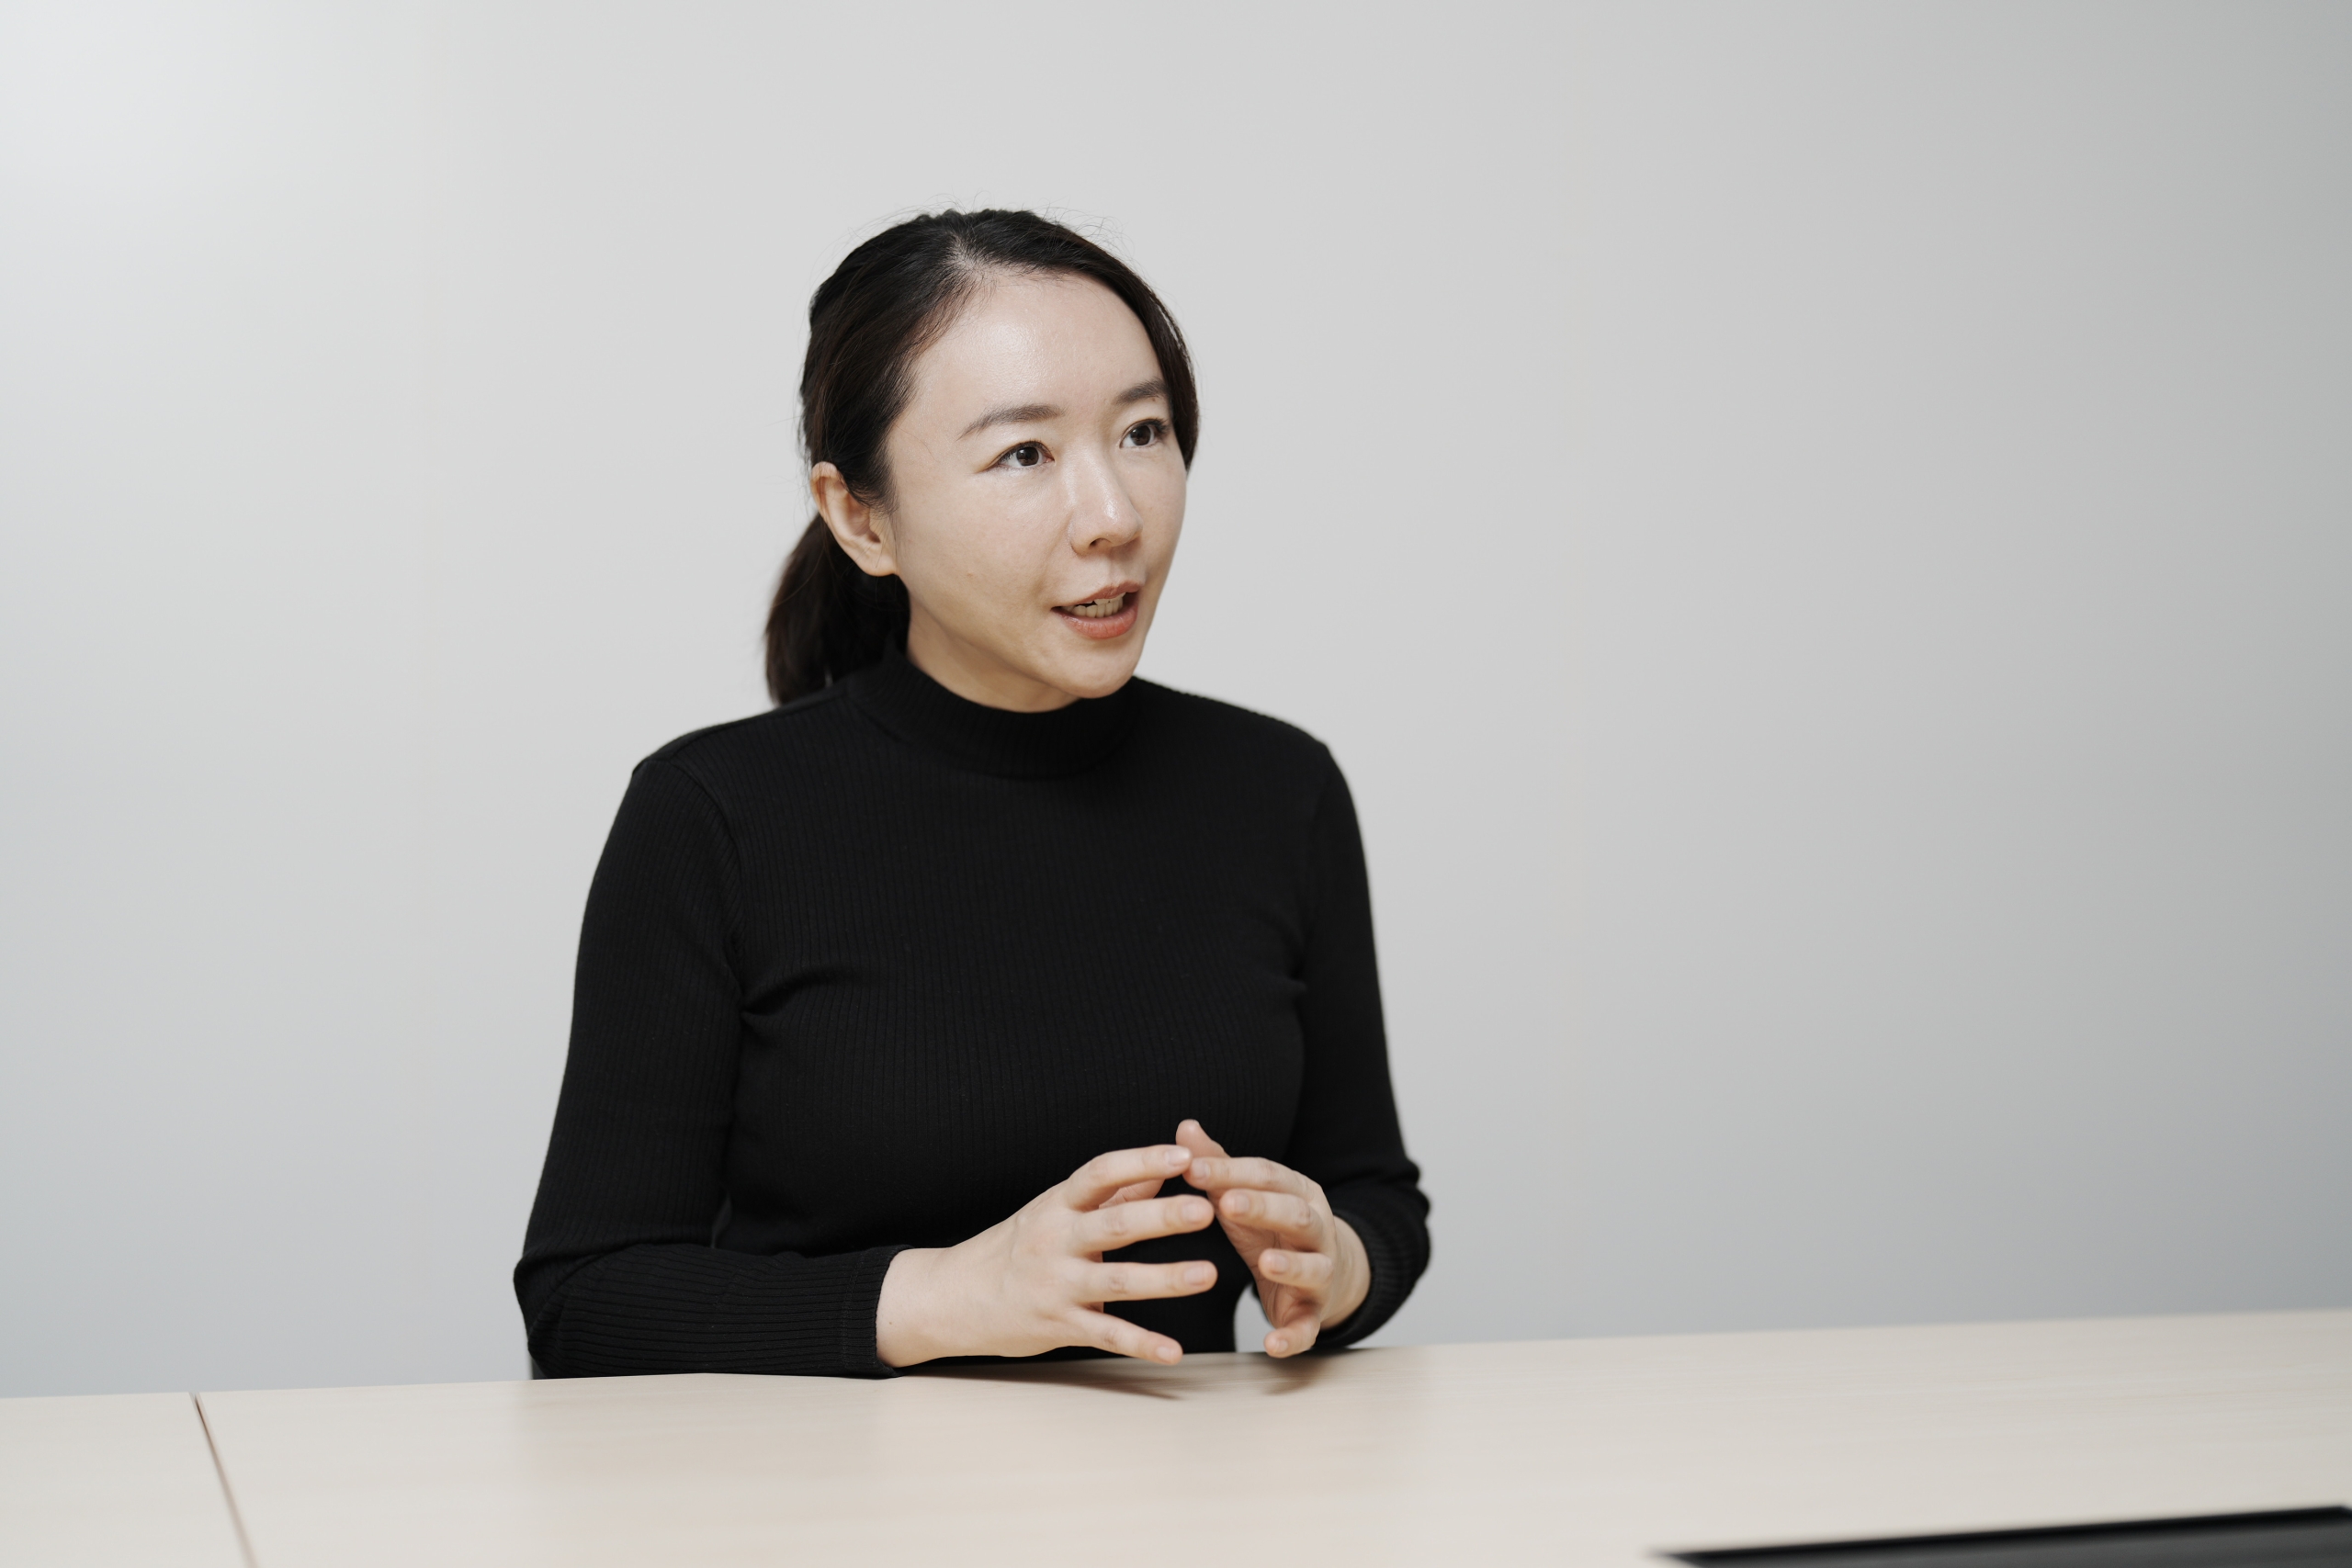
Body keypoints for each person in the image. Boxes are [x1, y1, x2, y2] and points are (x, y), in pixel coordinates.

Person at [514, 209, 1429, 1377]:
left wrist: (1337, 1262)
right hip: (816, 1482)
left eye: (1142, 431)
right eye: (1024, 455)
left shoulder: (1278, 791)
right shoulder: (712, 816)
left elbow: (1373, 1193)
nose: (1114, 516)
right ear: (861, 517)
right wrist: (950, 1296)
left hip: (1180, 1476)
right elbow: (585, 1299)